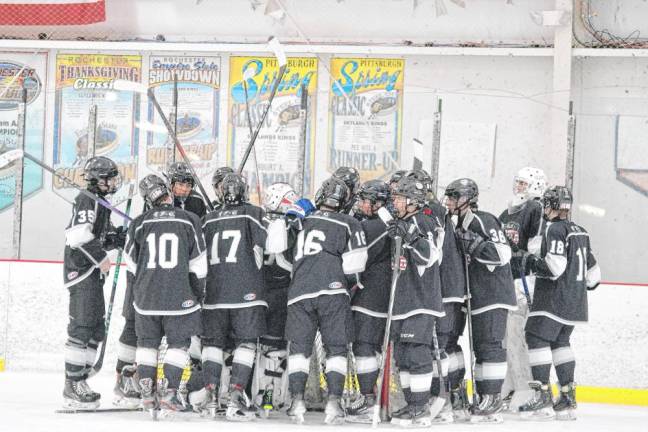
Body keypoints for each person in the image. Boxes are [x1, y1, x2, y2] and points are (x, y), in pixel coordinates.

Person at [113, 162, 208, 407]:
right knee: (178, 343)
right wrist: (197, 294)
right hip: (179, 295)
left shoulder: (139, 222)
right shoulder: (190, 219)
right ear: (168, 189)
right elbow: (198, 264)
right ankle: (169, 390)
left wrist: (140, 290)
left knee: (146, 342)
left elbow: (131, 264)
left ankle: (145, 389)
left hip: (145, 296)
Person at [284, 177, 368, 425]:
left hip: (299, 292)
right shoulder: (350, 223)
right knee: (336, 349)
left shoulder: (303, 220)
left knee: (298, 350)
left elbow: (283, 254)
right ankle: (334, 402)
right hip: (333, 292)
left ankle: (296, 401)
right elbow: (355, 266)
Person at [518, 186, 600, 421]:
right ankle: (567, 398)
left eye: (546, 204)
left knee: (535, 336)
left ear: (552, 206)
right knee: (560, 342)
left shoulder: (554, 229)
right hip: (575, 303)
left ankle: (542, 394)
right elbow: (594, 277)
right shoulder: (581, 231)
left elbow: (554, 268)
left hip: (553, 300)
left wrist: (529, 261)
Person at [444, 178, 516, 423]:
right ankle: (482, 397)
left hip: (494, 294)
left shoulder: (483, 219)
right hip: (477, 295)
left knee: (491, 346)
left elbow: (502, 254)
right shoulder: (457, 224)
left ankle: (492, 399)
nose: (450, 201)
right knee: (480, 349)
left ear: (467, 199)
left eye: (454, 197)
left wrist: (476, 245)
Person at [200, 173, 269, 421]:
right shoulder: (254, 213)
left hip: (214, 293)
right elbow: (272, 246)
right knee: (246, 343)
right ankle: (236, 395)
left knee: (212, 345)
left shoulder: (207, 220)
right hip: (246, 292)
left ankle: (210, 398)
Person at [62, 156, 123, 409]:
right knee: (83, 327)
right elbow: (77, 235)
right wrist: (101, 258)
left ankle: (82, 378)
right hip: (82, 272)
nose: (112, 182)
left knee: (96, 329)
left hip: (92, 274)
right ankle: (72, 383)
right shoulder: (87, 199)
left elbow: (99, 237)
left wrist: (118, 238)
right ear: (98, 179)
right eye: (109, 178)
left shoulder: (101, 202)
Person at [386, 175, 444, 428]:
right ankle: (412, 404)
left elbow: (430, 256)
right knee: (403, 355)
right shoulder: (403, 222)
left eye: (399, 198)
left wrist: (409, 234)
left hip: (420, 299)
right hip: (402, 301)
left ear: (412, 200)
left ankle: (421, 407)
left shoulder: (423, 221)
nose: (395, 202)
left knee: (418, 353)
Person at [499, 167, 547, 409]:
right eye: (517, 181)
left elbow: (536, 248)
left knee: (518, 334)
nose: (518, 186)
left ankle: (525, 386)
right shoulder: (508, 211)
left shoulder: (535, 208)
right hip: (508, 279)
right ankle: (510, 382)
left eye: (523, 183)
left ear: (535, 185)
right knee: (506, 336)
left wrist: (524, 258)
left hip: (525, 280)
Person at [344, 180, 392, 423]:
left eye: (365, 200)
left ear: (378, 203)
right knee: (369, 347)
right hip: (382, 296)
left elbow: (356, 259)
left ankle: (366, 399)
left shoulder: (376, 226)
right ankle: (372, 397)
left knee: (364, 345)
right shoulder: (384, 223)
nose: (361, 204)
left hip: (371, 297)